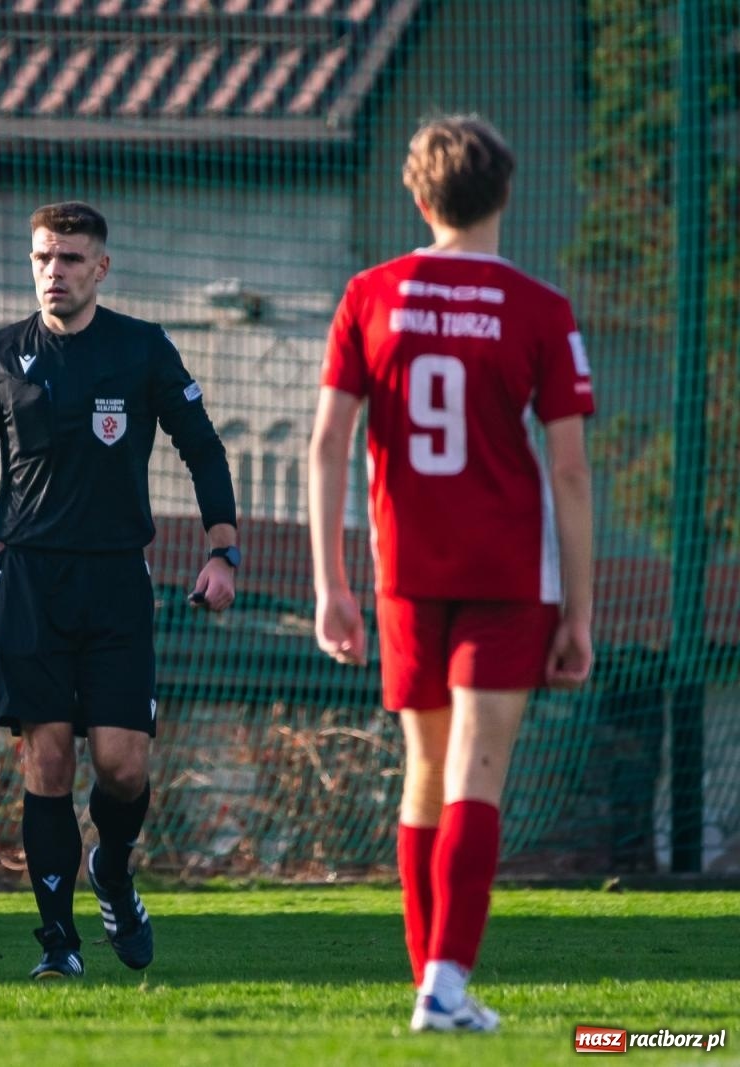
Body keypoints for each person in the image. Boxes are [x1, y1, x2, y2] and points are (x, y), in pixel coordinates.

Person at [308, 115, 594, 1033]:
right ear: (504, 193)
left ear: (420, 197)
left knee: (423, 769)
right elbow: (572, 472)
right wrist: (579, 614)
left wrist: (332, 584)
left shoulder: (369, 295)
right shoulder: (541, 309)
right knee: (476, 771)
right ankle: (444, 984)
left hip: (404, 574)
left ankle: (431, 987)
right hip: (508, 575)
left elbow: (326, 445)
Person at [0, 201, 239, 980]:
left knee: (124, 765)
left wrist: (221, 551)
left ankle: (115, 870)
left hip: (117, 580)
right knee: (50, 760)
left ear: (101, 267)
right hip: (29, 580)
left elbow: (201, 446)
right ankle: (59, 943)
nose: (52, 272)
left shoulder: (141, 349)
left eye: (68, 259)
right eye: (42, 258)